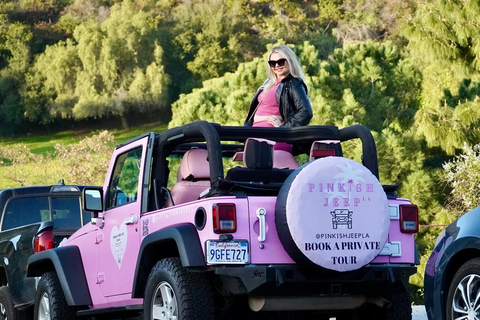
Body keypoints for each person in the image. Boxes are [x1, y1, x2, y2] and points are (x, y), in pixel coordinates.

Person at [244, 45, 313, 128]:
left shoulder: (293, 83)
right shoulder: (268, 83)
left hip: (271, 136)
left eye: (281, 62)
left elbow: (305, 112)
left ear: (290, 61)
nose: (276, 66)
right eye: (272, 63)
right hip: (254, 132)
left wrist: (284, 129)